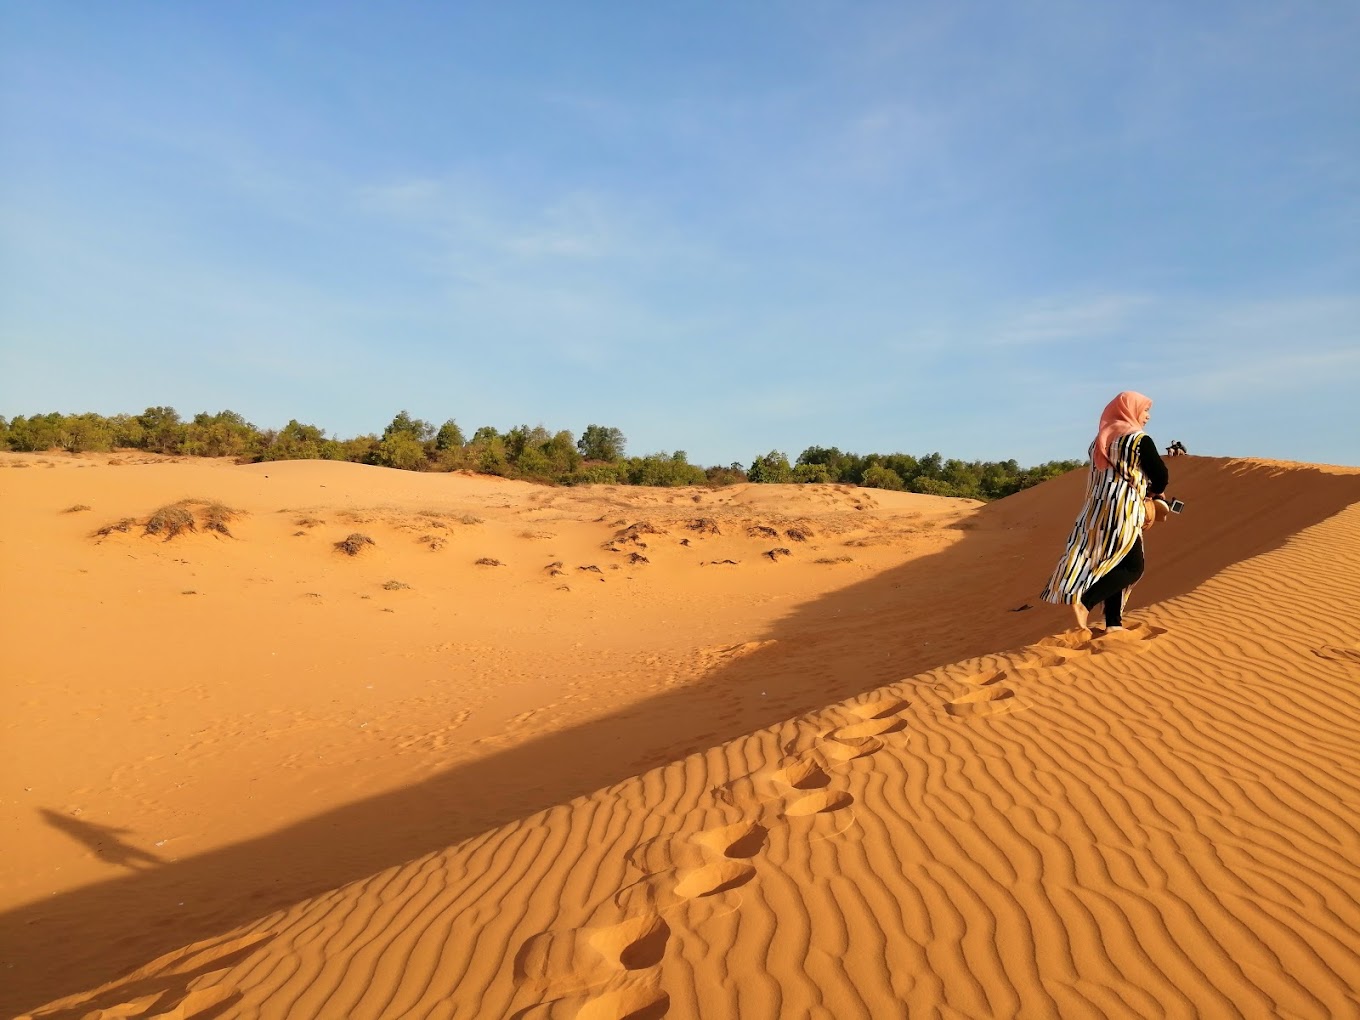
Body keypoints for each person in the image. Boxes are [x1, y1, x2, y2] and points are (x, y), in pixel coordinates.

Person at [1042, 391, 1169, 632]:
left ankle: (1114, 623)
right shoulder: (1139, 440)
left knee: (1113, 561)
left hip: (1096, 510)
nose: (1148, 417)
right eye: (1145, 411)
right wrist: (1155, 493)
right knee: (1133, 567)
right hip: (1124, 509)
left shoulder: (1099, 440)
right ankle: (1085, 600)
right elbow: (1161, 475)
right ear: (1130, 411)